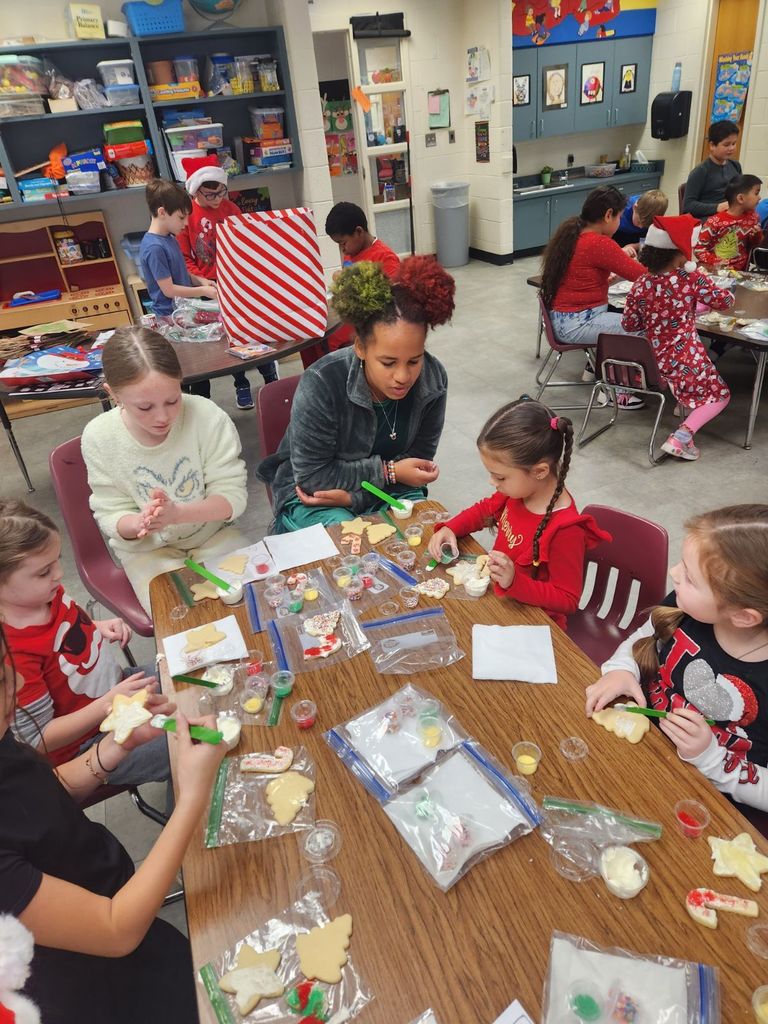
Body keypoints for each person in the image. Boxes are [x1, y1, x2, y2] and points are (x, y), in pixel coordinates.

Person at [0, 620, 226, 1022]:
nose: (17, 681)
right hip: (92, 985)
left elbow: (38, 799)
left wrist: (115, 747)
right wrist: (191, 795)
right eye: (2, 678)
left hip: (126, 919)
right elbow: (114, 930)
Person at [585, 504, 768, 815]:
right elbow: (645, 636)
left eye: (690, 578)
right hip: (644, 751)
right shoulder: (687, 609)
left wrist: (709, 756)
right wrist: (621, 669)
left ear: (743, 616)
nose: (673, 573)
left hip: (706, 802)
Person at [258, 256, 455, 531]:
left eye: (414, 360)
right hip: (315, 497)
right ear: (360, 347)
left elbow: (417, 467)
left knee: (423, 531)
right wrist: (390, 472)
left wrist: (356, 498)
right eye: (388, 363)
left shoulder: (433, 380)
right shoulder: (322, 383)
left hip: (385, 493)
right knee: (350, 543)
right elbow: (313, 477)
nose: (403, 376)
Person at [81, 327, 248, 616]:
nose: (162, 417)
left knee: (254, 597)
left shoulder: (206, 417)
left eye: (173, 400)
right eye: (144, 407)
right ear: (113, 394)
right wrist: (137, 523)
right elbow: (109, 512)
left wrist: (179, 514)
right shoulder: (99, 437)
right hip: (148, 552)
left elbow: (232, 496)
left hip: (213, 535)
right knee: (184, 619)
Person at [0, 500, 168, 786]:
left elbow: (67, 621)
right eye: (43, 572)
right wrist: (108, 703)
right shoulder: (14, 654)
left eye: (58, 561)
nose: (59, 575)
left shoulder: (44, 594)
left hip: (118, 690)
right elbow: (39, 738)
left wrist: (96, 627)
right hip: (88, 744)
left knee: (191, 678)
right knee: (184, 742)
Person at [427, 400, 610, 630]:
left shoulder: (566, 529)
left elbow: (568, 599)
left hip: (535, 623)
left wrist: (516, 581)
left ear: (540, 471)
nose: (492, 482)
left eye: (500, 477)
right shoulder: (517, 493)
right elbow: (485, 509)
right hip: (503, 599)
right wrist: (451, 528)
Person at [621, 214, 734, 461]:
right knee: (720, 395)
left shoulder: (641, 282)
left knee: (692, 385)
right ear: (681, 253)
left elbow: (629, 324)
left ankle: (684, 403)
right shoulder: (689, 278)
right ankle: (682, 437)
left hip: (651, 360)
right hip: (684, 357)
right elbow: (724, 301)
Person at [176, 157, 278, 410]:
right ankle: (241, 383)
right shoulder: (186, 216)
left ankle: (270, 379)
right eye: (210, 195)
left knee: (253, 332)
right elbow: (185, 258)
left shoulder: (231, 209)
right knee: (228, 340)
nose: (217, 199)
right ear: (195, 190)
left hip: (237, 282)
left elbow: (245, 244)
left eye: (221, 192)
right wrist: (204, 283)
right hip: (207, 288)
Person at [541, 184, 645, 409]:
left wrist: (614, 278)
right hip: (577, 322)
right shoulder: (600, 243)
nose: (619, 222)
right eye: (619, 216)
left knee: (622, 316)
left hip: (563, 317)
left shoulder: (573, 233)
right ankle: (618, 391)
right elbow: (642, 275)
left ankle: (595, 369)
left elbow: (581, 276)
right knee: (639, 325)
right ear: (608, 215)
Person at [300, 202, 401, 369]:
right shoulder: (352, 253)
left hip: (367, 328)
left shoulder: (386, 259)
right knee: (308, 337)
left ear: (359, 232)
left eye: (343, 243)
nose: (342, 250)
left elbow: (388, 305)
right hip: (345, 319)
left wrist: (350, 284)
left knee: (323, 343)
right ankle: (318, 383)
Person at [694, 173, 763, 271]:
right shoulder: (714, 222)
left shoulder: (753, 218)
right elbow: (698, 249)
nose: (760, 197)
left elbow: (753, 245)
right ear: (741, 198)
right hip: (716, 272)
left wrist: (757, 236)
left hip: (740, 273)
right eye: (756, 193)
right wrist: (715, 261)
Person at [683, 120, 742, 220]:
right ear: (712, 146)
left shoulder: (735, 166)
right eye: (726, 145)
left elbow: (740, 192)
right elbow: (688, 206)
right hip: (710, 222)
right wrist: (717, 207)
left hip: (731, 218)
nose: (731, 148)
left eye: (734, 143)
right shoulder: (701, 171)